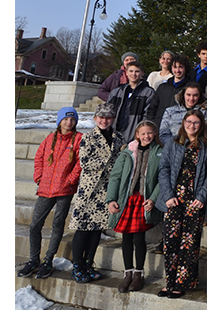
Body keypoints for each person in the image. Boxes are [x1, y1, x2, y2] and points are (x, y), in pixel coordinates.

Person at [17, 107, 82, 279]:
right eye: (66, 119)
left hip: (64, 190)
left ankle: (48, 260)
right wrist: (39, 176)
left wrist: (70, 180)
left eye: (72, 119)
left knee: (57, 225)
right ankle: (33, 259)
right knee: (34, 225)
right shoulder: (50, 138)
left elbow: (79, 163)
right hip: (45, 188)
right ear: (60, 121)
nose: (69, 122)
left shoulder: (78, 139)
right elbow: (39, 157)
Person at [157, 110, 207, 298]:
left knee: (189, 244)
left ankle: (182, 283)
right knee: (171, 241)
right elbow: (164, 169)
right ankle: (169, 282)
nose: (192, 126)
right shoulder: (174, 143)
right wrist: (167, 195)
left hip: (194, 201)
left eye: (196, 123)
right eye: (189, 122)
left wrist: (202, 197)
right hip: (174, 199)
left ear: (201, 125)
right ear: (183, 123)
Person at [68, 103, 124, 283]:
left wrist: (113, 167)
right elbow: (86, 162)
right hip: (89, 190)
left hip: (107, 190)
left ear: (113, 119)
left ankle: (88, 264)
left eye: (108, 117)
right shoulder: (88, 137)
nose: (104, 120)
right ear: (95, 118)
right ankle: (77, 265)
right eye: (101, 117)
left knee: (97, 229)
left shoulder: (118, 137)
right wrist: (110, 164)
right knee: (83, 228)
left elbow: (121, 160)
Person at [106, 120, 163, 293]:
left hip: (143, 200)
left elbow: (162, 179)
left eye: (150, 133)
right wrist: (111, 199)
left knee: (139, 238)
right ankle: (128, 273)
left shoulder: (159, 152)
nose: (147, 136)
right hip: (127, 199)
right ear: (137, 134)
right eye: (143, 133)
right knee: (126, 238)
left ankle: (138, 273)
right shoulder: (127, 153)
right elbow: (115, 177)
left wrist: (153, 198)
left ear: (154, 134)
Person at [108, 61, 156, 143]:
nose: (133, 74)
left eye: (137, 71)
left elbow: (147, 116)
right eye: (131, 71)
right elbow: (108, 112)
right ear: (126, 73)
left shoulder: (148, 93)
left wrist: (140, 135)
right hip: (114, 136)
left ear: (142, 73)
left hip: (134, 138)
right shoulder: (116, 92)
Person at [159, 81, 207, 149]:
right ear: (183, 94)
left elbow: (206, 134)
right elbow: (163, 134)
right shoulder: (170, 111)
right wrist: (174, 146)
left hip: (195, 149)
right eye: (188, 95)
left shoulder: (205, 112)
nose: (191, 98)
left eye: (195, 95)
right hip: (173, 148)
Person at [146, 54, 192, 129]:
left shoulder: (191, 88)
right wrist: (152, 124)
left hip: (179, 129)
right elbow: (152, 109)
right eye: (175, 67)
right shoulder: (162, 87)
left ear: (185, 68)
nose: (177, 70)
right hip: (159, 128)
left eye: (180, 67)